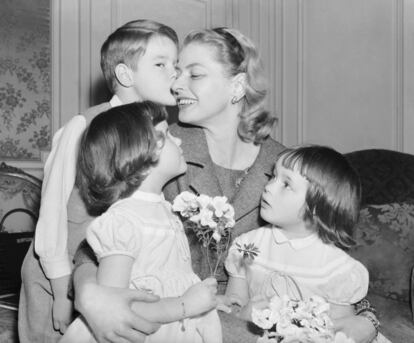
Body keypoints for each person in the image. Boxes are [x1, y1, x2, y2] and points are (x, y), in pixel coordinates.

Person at [72, 28, 378, 343]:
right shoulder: (158, 149)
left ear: (237, 86)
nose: (176, 84)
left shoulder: (286, 167)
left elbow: (322, 258)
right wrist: (90, 296)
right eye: (177, 72)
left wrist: (365, 317)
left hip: (248, 320)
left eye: (195, 74)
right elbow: (99, 243)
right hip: (169, 317)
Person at [18, 19, 179, 343]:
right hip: (59, 276)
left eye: (175, 63)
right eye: (161, 64)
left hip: (110, 274)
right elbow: (52, 214)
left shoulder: (163, 136)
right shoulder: (85, 126)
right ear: (124, 74)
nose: (174, 72)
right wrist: (63, 289)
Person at [60, 101, 222, 343]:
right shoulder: (123, 221)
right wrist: (184, 305)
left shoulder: (164, 209)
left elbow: (174, 278)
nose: (178, 141)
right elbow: (115, 307)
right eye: (167, 134)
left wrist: (208, 300)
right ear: (147, 149)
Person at [224, 145, 390, 342]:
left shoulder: (335, 267)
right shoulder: (247, 246)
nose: (268, 187)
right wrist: (243, 312)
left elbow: (342, 331)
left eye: (286, 184)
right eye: (273, 176)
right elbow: (232, 305)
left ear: (317, 208)